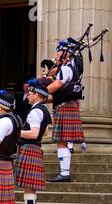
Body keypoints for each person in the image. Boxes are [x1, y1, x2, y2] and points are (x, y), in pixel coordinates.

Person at [13, 79, 52, 204]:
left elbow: (35, 134)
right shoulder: (43, 110)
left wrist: (16, 133)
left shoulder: (35, 111)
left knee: (28, 187)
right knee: (30, 186)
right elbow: (46, 133)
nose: (27, 95)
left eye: (30, 93)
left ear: (37, 95)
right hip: (36, 149)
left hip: (29, 148)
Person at [46, 41, 85, 183]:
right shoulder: (69, 68)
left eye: (58, 53)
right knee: (62, 141)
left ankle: (64, 173)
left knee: (61, 142)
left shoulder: (66, 69)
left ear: (66, 54)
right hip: (67, 105)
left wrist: (38, 90)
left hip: (65, 107)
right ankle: (64, 172)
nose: (56, 55)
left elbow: (56, 85)